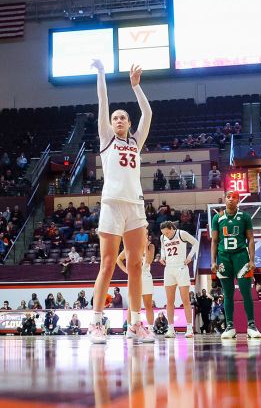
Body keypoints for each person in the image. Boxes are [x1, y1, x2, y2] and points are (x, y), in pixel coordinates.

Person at [88, 61, 153, 344]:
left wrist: (136, 86)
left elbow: (148, 113)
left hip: (135, 206)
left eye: (123, 118)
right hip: (112, 205)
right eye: (115, 117)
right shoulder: (106, 139)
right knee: (108, 264)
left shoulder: (136, 142)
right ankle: (97, 322)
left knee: (137, 264)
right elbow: (103, 101)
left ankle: (135, 323)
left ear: (128, 123)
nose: (118, 120)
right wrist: (102, 74)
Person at [210, 190, 261, 339]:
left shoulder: (245, 216)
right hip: (223, 257)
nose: (231, 199)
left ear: (238, 200)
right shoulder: (217, 218)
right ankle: (229, 326)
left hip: (241, 257)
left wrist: (252, 260)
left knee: (246, 292)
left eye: (234, 197)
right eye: (228, 197)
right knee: (228, 294)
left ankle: (251, 325)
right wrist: (213, 261)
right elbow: (214, 241)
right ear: (224, 199)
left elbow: (250, 239)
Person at [158, 219, 198, 337]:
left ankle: (189, 328)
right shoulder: (162, 238)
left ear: (172, 228)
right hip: (169, 269)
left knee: (185, 300)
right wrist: (162, 257)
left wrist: (190, 257)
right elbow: (163, 248)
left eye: (167, 233)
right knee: (169, 301)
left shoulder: (181, 234)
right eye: (164, 233)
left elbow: (196, 243)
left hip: (181, 268)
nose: (166, 235)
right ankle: (171, 329)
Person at [116, 231, 156, 333]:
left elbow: (149, 261)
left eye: (147, 234)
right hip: (134, 277)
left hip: (146, 276)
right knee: (131, 305)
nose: (145, 235)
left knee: (148, 305)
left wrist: (145, 248)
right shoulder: (131, 246)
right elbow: (119, 259)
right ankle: (130, 328)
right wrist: (127, 271)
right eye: (143, 234)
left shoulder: (151, 246)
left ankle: (150, 329)